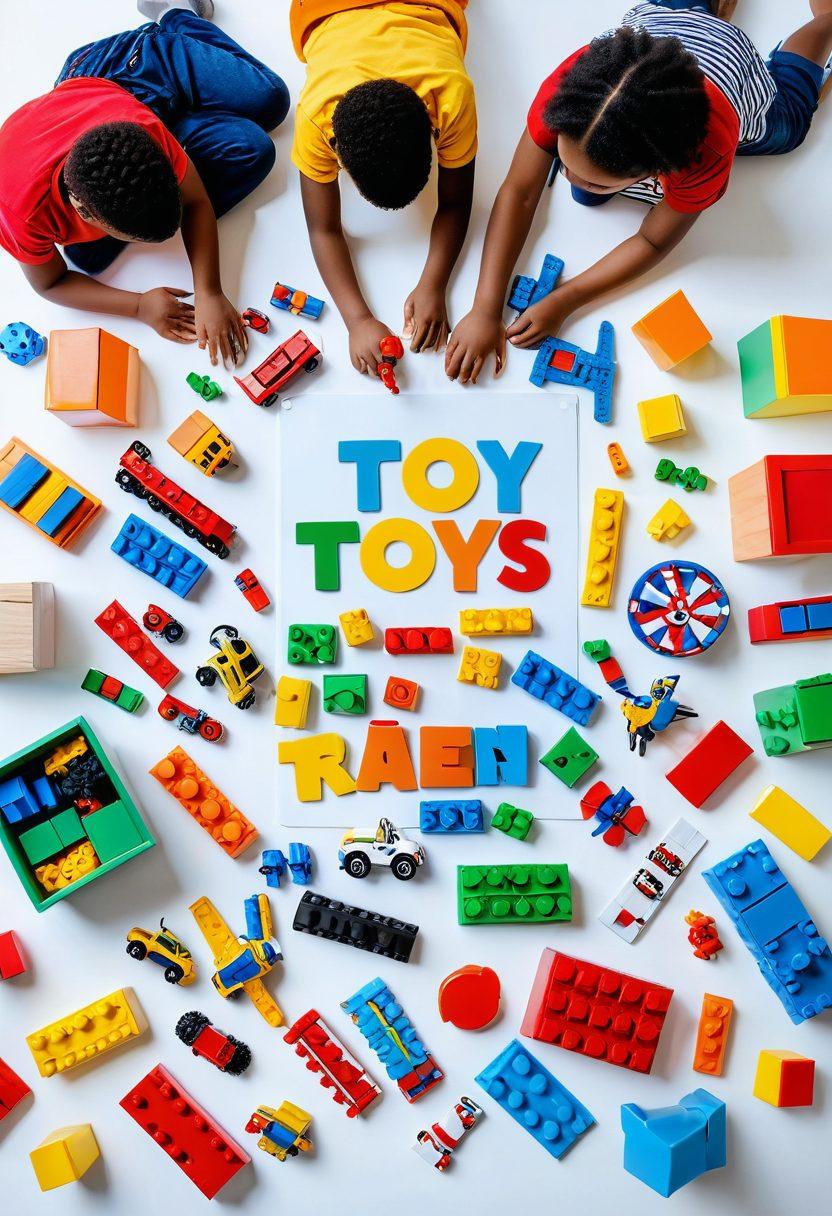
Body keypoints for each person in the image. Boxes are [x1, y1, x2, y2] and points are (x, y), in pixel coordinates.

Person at [446, 0, 832, 384]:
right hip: (663, 24)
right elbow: (519, 190)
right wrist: (484, 307)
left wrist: (566, 300)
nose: (568, 181)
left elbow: (652, 240)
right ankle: (707, 12)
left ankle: (824, 24)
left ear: (659, 172)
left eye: (596, 179)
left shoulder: (707, 154)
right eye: (562, 161)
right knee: (588, 198)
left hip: (736, 78)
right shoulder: (568, 92)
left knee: (790, 125)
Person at [0, 1, 290, 365]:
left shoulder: (140, 132)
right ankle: (199, 103)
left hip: (142, 71)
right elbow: (49, 283)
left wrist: (210, 291)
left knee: (271, 103)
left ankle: (174, 13)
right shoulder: (17, 213)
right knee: (86, 258)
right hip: (106, 89)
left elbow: (197, 201)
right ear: (84, 212)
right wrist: (138, 306)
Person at [290, 0, 477, 375]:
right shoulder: (314, 117)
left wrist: (434, 283)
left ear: (432, 131)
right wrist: (356, 319)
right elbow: (322, 229)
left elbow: (456, 203)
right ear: (336, 151)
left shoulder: (452, 96)